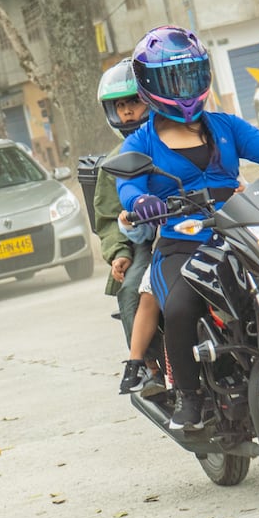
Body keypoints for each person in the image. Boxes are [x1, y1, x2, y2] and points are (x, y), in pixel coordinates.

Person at [116, 26, 259, 430]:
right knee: (181, 307)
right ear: (150, 85)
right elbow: (127, 183)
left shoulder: (225, 126)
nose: (183, 87)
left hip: (238, 231)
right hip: (182, 245)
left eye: (189, 75)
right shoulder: (140, 142)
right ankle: (188, 397)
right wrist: (140, 201)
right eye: (172, 79)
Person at [87, 58, 161, 393]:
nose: (129, 111)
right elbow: (107, 218)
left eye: (135, 101)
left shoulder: (184, 135)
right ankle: (147, 365)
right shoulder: (114, 162)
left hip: (202, 222)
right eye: (121, 105)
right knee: (133, 287)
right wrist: (119, 252)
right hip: (147, 239)